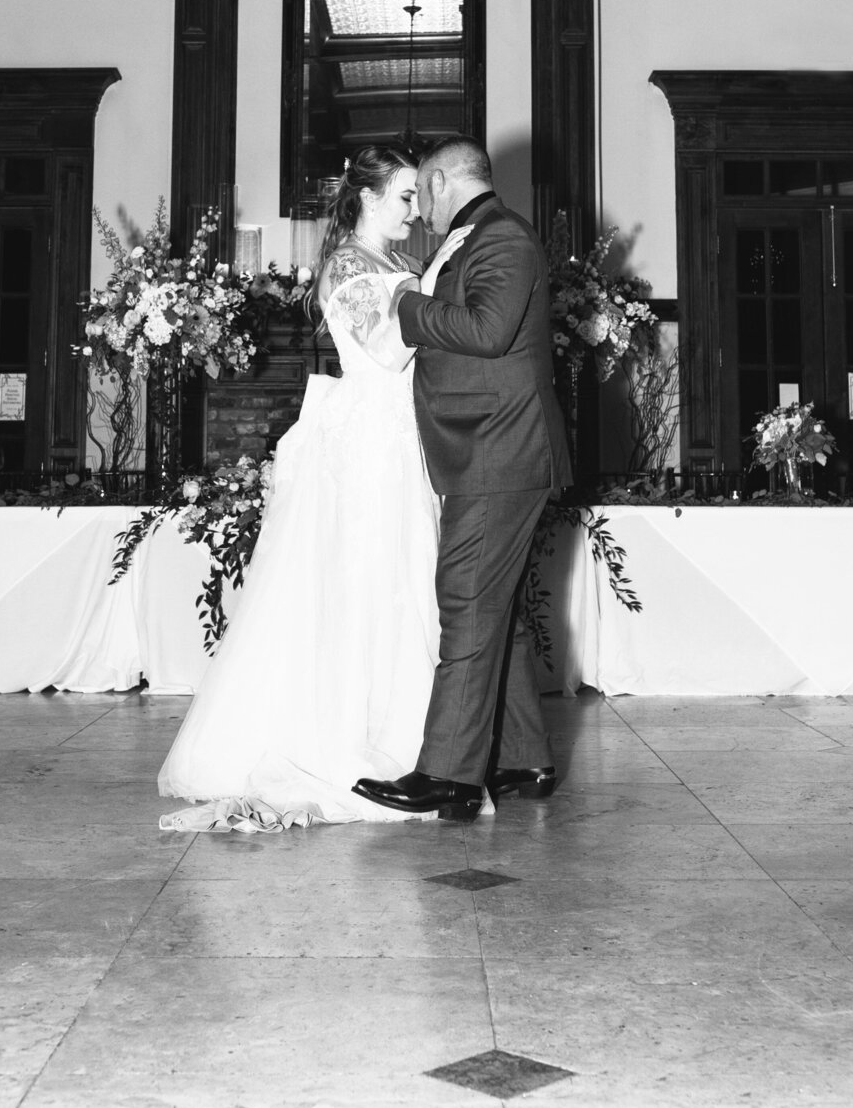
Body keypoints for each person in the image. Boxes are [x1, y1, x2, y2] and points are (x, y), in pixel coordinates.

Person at [157, 145, 469, 832]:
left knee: (408, 577)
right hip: (367, 442)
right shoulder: (348, 265)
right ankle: (357, 739)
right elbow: (387, 350)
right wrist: (443, 275)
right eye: (405, 196)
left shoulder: (399, 264)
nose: (416, 211)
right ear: (366, 198)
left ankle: (422, 740)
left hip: (402, 435)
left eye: (419, 197)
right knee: (366, 578)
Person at [353, 137, 571, 823]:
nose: (421, 211)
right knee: (491, 611)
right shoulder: (481, 238)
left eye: (423, 192)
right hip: (490, 449)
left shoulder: (501, 238)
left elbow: (486, 329)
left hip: (500, 454)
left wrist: (406, 309)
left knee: (467, 603)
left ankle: (446, 772)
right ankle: (522, 760)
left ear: (444, 180)